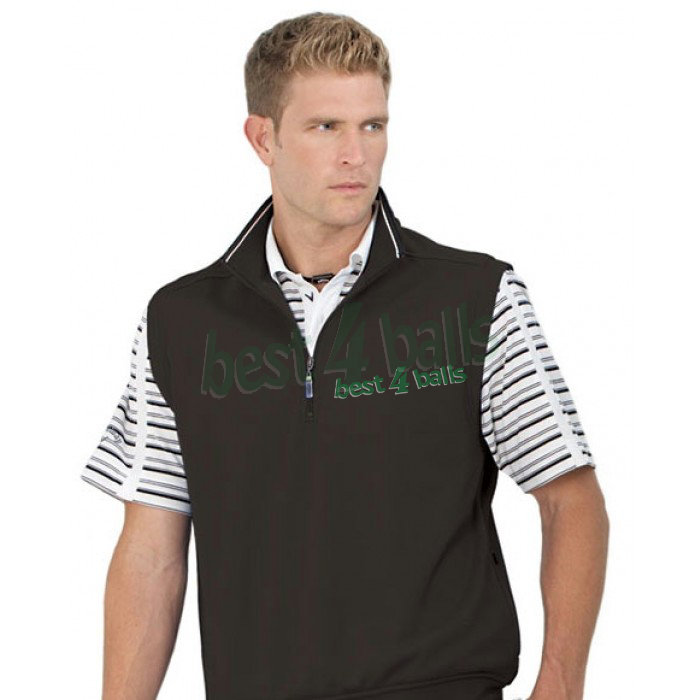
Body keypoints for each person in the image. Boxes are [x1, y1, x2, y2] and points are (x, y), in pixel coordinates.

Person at [81, 12, 609, 700]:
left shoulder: (476, 297)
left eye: (373, 125)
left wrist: (560, 687)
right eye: (326, 126)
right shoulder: (181, 321)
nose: (356, 154)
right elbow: (152, 549)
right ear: (263, 138)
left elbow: (570, 499)